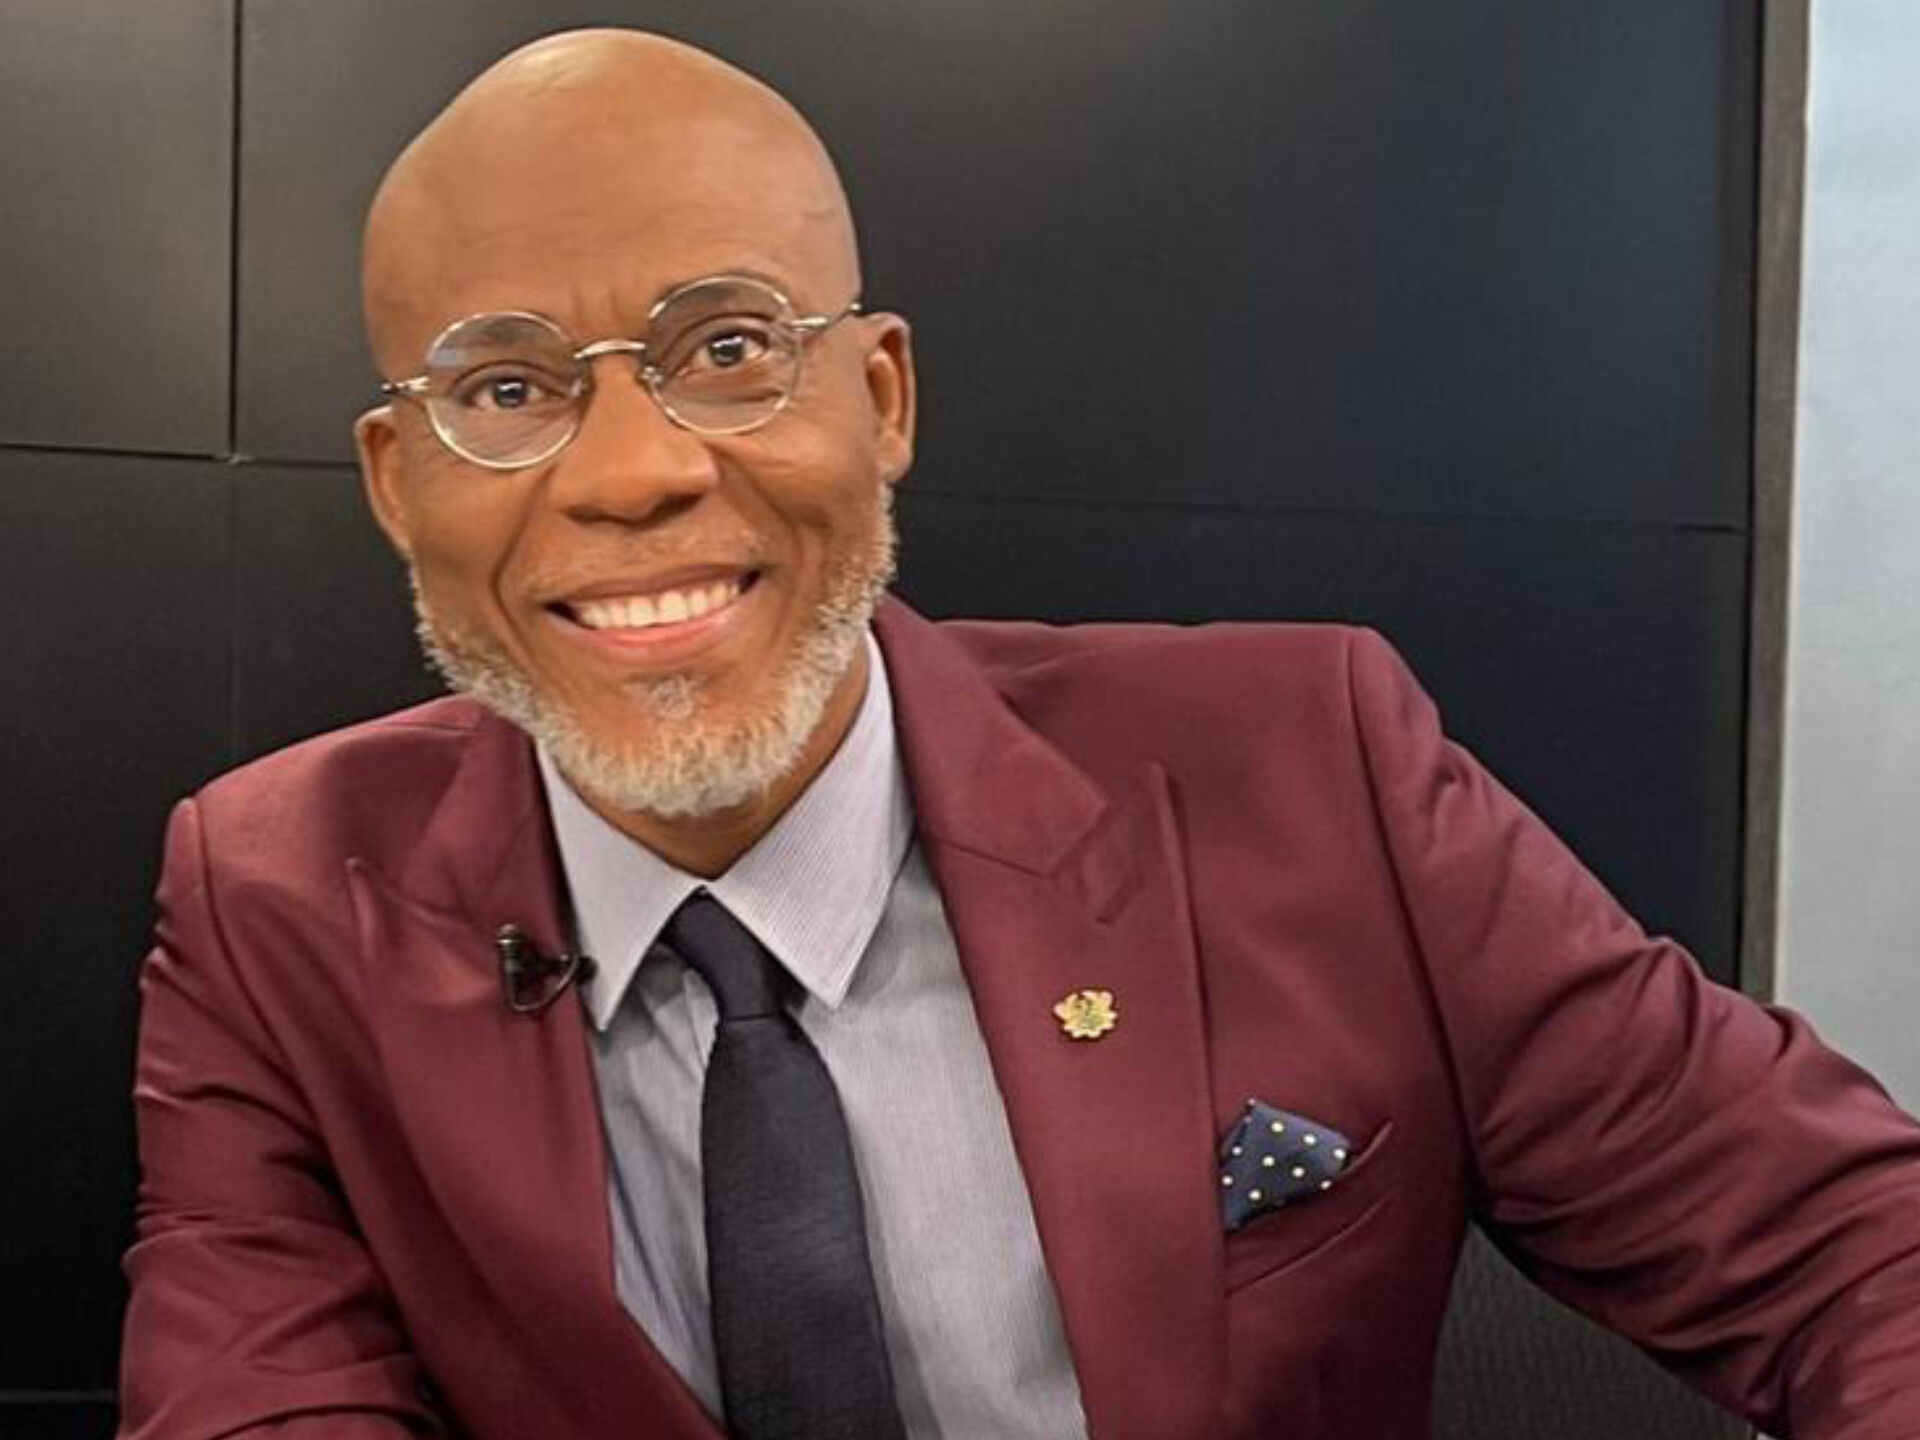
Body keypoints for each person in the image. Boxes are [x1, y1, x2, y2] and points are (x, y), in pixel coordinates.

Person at [118, 27, 1920, 1440]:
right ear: (396, 484)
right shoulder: (274, 904)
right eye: (506, 390)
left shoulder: (1317, 767)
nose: (635, 473)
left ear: (880, 395)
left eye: (728, 348)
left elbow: (1851, 1252)